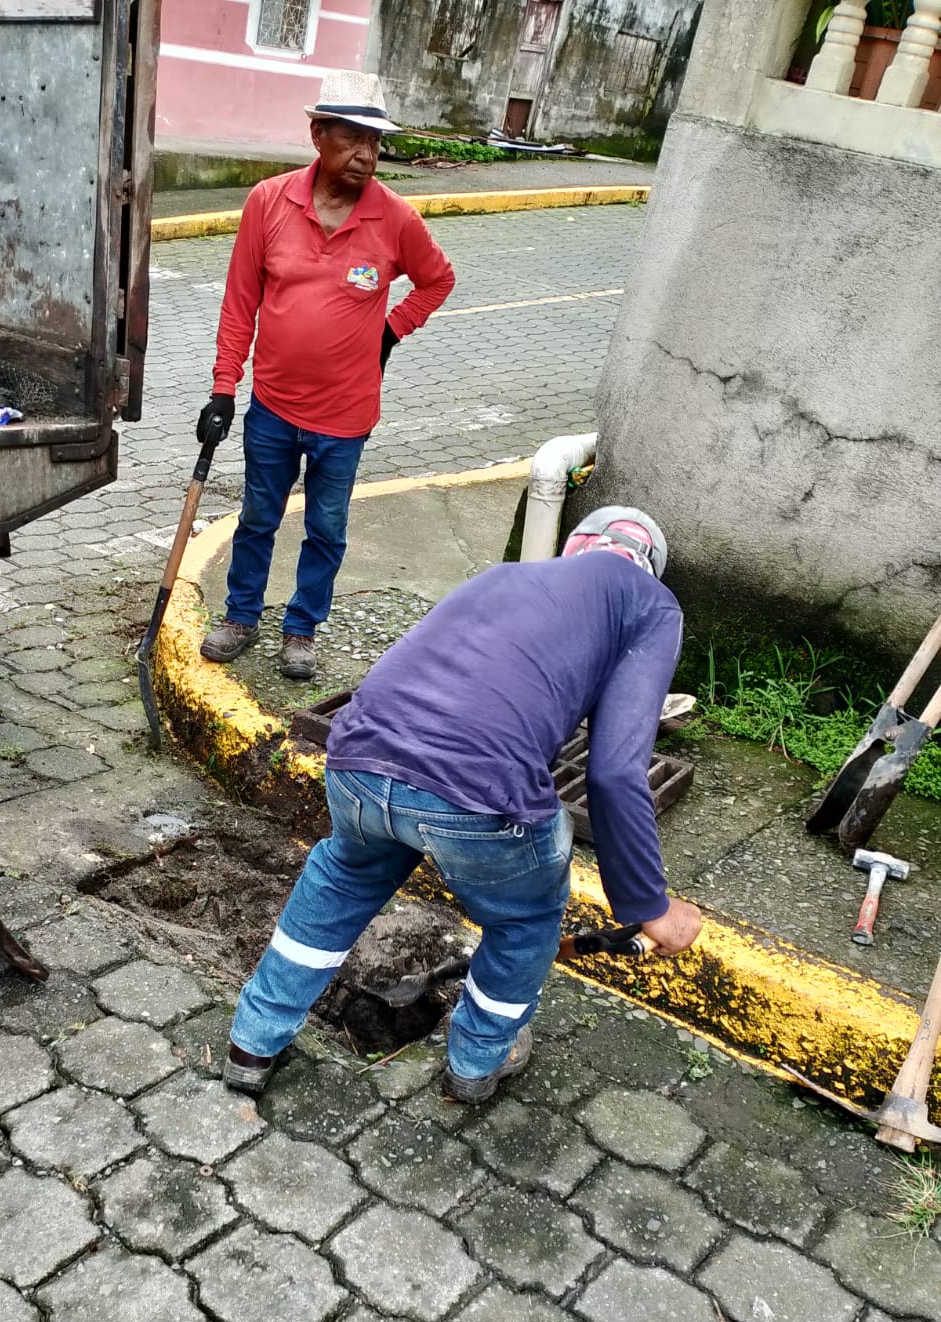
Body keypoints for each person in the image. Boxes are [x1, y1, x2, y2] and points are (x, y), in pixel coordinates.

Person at [222, 507, 703, 1104]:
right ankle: (476, 1064)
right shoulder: (653, 604)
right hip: (474, 793)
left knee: (343, 878)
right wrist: (649, 906)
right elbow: (614, 770)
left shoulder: (509, 577)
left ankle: (253, 1040)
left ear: (575, 549)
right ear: (648, 567)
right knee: (523, 922)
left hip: (361, 758)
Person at [197, 69, 455, 682]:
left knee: (326, 528)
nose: (367, 154)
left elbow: (438, 280)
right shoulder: (268, 202)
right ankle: (241, 615)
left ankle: (302, 628)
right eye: (353, 138)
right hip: (272, 407)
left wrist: (391, 331)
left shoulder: (395, 218)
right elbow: (239, 304)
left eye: (376, 141)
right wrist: (223, 388)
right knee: (257, 517)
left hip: (345, 417)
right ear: (318, 134)